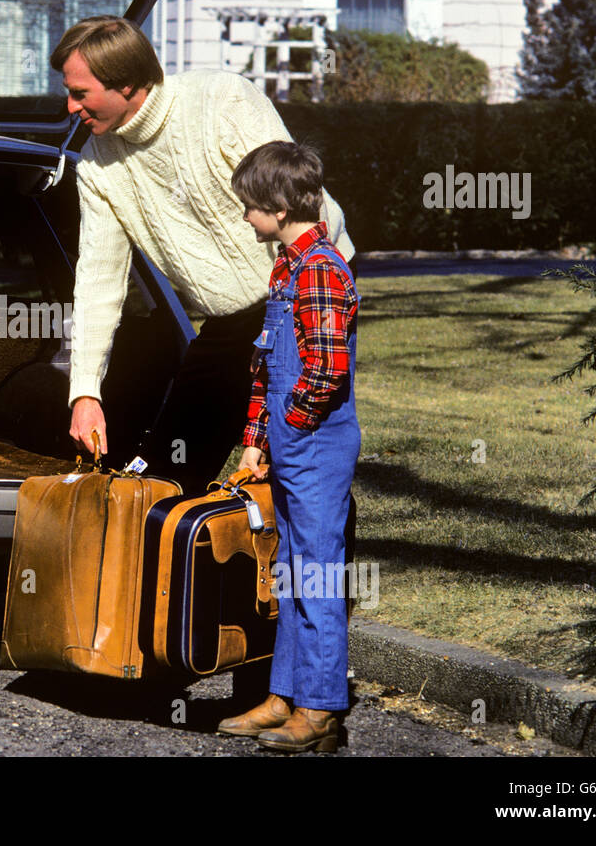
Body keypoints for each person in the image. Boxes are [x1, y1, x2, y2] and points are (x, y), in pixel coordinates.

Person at [51, 16, 355, 488]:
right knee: (167, 476)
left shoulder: (222, 100)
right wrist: (85, 393)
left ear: (126, 84)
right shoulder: (96, 165)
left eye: (79, 93)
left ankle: (307, 555)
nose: (69, 106)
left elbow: (303, 204)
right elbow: (98, 281)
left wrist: (291, 310)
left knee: (295, 459)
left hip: (305, 288)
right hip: (228, 321)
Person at [217, 141, 359, 752]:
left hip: (316, 444)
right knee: (292, 571)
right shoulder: (287, 266)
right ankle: (285, 697)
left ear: (278, 206)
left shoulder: (322, 268)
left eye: (250, 206)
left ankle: (321, 708)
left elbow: (325, 370)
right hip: (287, 443)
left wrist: (290, 429)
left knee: (319, 573)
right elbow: (266, 366)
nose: (246, 217)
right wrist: (255, 441)